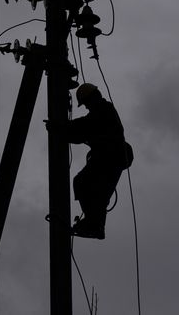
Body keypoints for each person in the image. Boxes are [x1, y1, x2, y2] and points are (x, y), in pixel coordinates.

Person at [54, 83, 131, 240]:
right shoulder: (101, 112)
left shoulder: (104, 110)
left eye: (87, 103)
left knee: (82, 183)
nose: (87, 107)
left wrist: (62, 127)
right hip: (113, 157)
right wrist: (63, 131)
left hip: (111, 156)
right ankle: (95, 225)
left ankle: (93, 224)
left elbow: (85, 126)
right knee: (98, 193)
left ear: (92, 98)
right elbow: (83, 133)